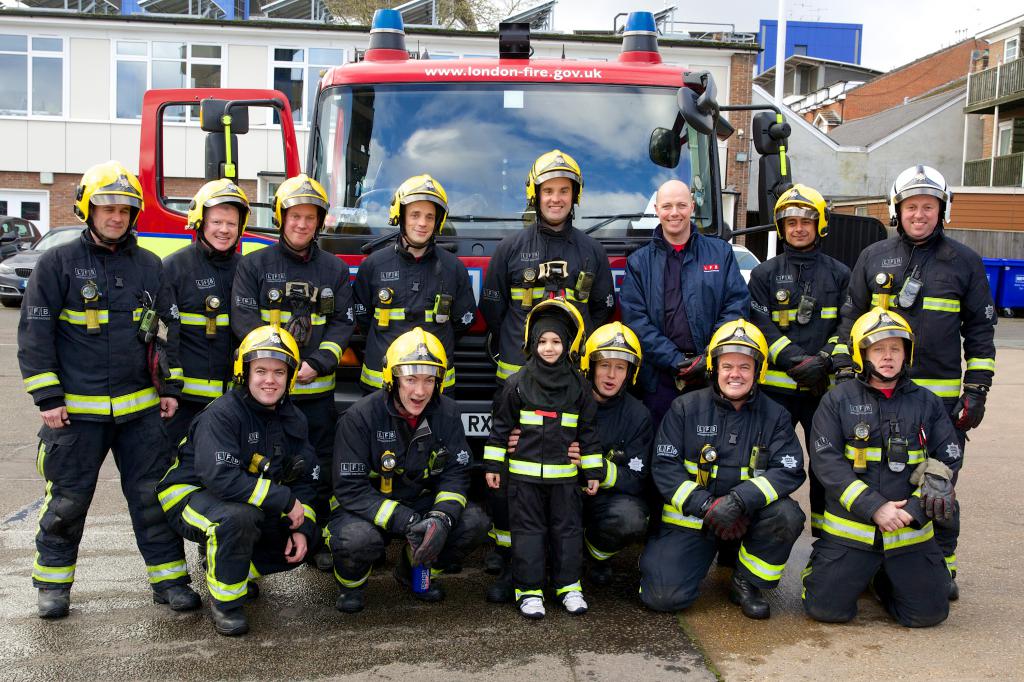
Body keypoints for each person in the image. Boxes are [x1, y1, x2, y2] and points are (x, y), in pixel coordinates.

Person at [18, 160, 199, 619]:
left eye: (124, 209)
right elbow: (35, 334)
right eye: (106, 207)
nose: (116, 217)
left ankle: (170, 581)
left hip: (140, 413)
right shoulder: (57, 263)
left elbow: (167, 332)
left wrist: (169, 388)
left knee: (152, 498)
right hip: (76, 414)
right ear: (87, 208)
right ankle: (53, 585)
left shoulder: (149, 267)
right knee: (67, 501)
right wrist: (48, 398)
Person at [833, 165, 995, 600]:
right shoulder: (873, 256)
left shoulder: (965, 261)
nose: (919, 214)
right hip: (876, 394)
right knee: (876, 479)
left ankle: (940, 566)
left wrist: (976, 390)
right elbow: (850, 318)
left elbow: (980, 333)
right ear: (895, 210)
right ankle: (869, 562)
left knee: (938, 483)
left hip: (937, 402)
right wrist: (848, 373)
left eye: (928, 207)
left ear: (942, 211)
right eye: (911, 207)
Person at [479, 149, 614, 596]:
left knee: (565, 480)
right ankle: (509, 559)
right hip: (519, 387)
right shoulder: (510, 249)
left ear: (575, 196)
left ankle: (567, 564)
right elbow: (494, 311)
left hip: (571, 390)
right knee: (510, 475)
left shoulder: (592, 252)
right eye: (548, 191)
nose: (555, 199)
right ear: (534, 195)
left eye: (564, 191)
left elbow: (601, 313)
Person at [157, 326, 321, 636]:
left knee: (302, 535)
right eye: (260, 371)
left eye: (278, 372)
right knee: (237, 518)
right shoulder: (223, 414)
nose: (269, 380)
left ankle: (225, 564)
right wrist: (284, 501)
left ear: (290, 377)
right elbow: (220, 478)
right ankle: (227, 604)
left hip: (245, 499)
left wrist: (303, 526)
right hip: (189, 495)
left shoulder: (294, 419)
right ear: (243, 372)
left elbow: (305, 479)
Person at [803, 308, 960, 628]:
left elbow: (949, 454)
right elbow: (826, 462)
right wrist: (874, 507)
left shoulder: (927, 402)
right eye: (878, 349)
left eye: (895, 348)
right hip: (853, 534)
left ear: (906, 353)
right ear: (862, 355)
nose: (888, 356)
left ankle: (884, 581)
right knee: (826, 611)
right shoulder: (837, 401)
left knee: (928, 615)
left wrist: (915, 508)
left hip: (908, 532)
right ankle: (822, 568)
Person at [639, 319, 806, 619]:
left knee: (787, 515)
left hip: (746, 520)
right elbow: (665, 468)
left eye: (744, 366)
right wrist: (707, 506)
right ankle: (666, 562)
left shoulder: (776, 415)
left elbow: (790, 469)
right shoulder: (685, 408)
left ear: (758, 370)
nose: (735, 374)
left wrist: (739, 501)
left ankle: (746, 581)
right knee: (662, 598)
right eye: (728, 365)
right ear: (715, 368)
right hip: (693, 522)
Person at [232, 173, 355, 570]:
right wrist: (281, 366)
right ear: (281, 217)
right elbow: (244, 320)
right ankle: (248, 544)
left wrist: (317, 362)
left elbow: (342, 324)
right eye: (295, 216)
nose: (302, 224)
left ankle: (315, 539)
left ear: (319, 222)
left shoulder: (334, 270)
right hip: (266, 398)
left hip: (315, 394)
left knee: (317, 467)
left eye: (310, 217)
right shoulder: (254, 266)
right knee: (258, 467)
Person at [329, 328, 490, 614]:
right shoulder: (360, 417)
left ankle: (412, 571)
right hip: (367, 505)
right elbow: (350, 488)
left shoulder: (448, 413)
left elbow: (456, 473)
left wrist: (440, 519)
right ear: (392, 379)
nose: (420, 391)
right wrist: (411, 521)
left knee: (474, 522)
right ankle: (351, 585)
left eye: (429, 380)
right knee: (357, 540)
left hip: (418, 499)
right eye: (411, 379)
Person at [483, 298, 604, 619]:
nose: (549, 348)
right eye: (542, 341)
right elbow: (500, 428)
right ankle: (529, 591)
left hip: (564, 480)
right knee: (528, 534)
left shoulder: (579, 386)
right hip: (524, 482)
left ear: (567, 345)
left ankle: (569, 587)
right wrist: (494, 465)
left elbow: (588, 432)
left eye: (556, 341)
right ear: (531, 344)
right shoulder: (517, 384)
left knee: (568, 533)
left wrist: (593, 471)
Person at [748, 184, 850, 535]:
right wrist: (797, 361)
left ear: (820, 224)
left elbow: (846, 324)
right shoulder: (764, 275)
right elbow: (761, 327)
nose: (798, 228)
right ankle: (747, 533)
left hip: (824, 392)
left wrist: (823, 359)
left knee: (827, 466)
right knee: (761, 461)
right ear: (781, 227)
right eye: (790, 222)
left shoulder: (840, 274)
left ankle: (826, 539)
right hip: (776, 393)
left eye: (806, 221)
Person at [620, 179, 749, 429]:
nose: (674, 213)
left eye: (681, 205)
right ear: (657, 210)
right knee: (661, 452)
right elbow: (635, 320)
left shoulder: (720, 253)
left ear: (692, 206)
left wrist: (709, 354)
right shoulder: (639, 263)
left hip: (711, 375)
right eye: (667, 206)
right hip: (659, 380)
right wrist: (675, 359)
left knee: (710, 449)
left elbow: (736, 305)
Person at [353, 174, 476, 393]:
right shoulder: (373, 265)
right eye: (415, 215)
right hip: (381, 386)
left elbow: (463, 322)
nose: (422, 223)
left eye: (430, 217)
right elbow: (362, 321)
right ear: (400, 216)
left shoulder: (453, 268)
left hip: (434, 388)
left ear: (437, 221)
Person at [163, 179, 248, 447]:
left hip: (236, 401)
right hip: (186, 404)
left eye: (231, 224)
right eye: (216, 222)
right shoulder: (174, 268)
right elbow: (164, 338)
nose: (224, 230)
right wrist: (169, 390)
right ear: (200, 222)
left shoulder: (247, 269)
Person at [577, 322, 653, 585]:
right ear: (590, 366)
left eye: (620, 367)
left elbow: (636, 478)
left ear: (630, 373)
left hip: (606, 501)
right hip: (564, 495)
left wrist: (596, 468)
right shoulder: (568, 400)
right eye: (605, 365)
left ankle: (596, 555)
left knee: (631, 519)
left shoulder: (638, 415)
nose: (611, 375)